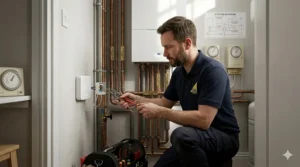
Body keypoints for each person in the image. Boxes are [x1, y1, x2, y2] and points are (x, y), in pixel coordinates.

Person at [119, 16, 240, 167]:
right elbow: (164, 103)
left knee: (180, 135)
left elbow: (204, 120)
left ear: (187, 43)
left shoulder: (213, 71)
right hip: (196, 136)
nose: (164, 53)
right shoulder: (179, 73)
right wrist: (136, 99)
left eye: (168, 47)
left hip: (224, 138)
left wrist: (159, 112)